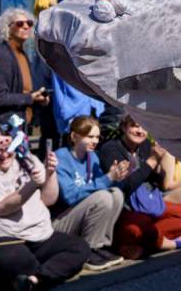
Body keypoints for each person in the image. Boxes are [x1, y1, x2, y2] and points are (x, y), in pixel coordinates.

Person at [0, 115, 89, 291]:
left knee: (80, 247)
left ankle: (35, 279)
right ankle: (39, 275)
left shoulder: (26, 159)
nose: (5, 154)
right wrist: (31, 184)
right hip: (2, 237)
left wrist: (50, 173)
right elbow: (3, 207)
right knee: (22, 262)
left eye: (8, 148)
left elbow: (48, 200)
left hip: (38, 235)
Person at [97, 115, 181, 260]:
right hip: (124, 207)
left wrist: (159, 165)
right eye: (135, 126)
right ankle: (171, 243)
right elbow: (126, 187)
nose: (140, 131)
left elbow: (158, 183)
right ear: (124, 127)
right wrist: (151, 161)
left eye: (144, 127)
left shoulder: (144, 146)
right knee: (138, 229)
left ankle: (140, 246)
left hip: (146, 203)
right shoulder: (111, 149)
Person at [53, 115, 127, 271]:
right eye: (90, 136)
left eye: (97, 137)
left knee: (116, 193)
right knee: (103, 197)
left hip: (80, 215)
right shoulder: (61, 157)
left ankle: (100, 245)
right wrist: (107, 178)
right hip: (60, 221)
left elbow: (101, 184)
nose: (95, 141)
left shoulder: (92, 157)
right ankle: (87, 250)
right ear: (74, 136)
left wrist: (115, 176)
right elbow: (69, 196)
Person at [0, 8, 49, 126]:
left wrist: (39, 98)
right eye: (20, 24)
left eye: (29, 23)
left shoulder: (21, 53)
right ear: (8, 28)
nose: (26, 27)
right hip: (3, 128)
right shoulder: (2, 55)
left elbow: (22, 89)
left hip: (20, 125)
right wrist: (30, 98)